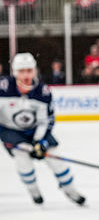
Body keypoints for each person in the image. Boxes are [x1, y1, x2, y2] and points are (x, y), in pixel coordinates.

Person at [0, 53, 86, 206]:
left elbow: (46, 120)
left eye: (29, 70)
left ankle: (70, 190)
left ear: (34, 71)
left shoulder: (43, 91)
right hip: (11, 132)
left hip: (35, 131)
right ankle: (34, 191)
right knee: (23, 160)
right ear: (14, 72)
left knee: (56, 160)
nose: (26, 75)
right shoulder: (3, 88)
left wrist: (41, 142)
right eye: (21, 71)